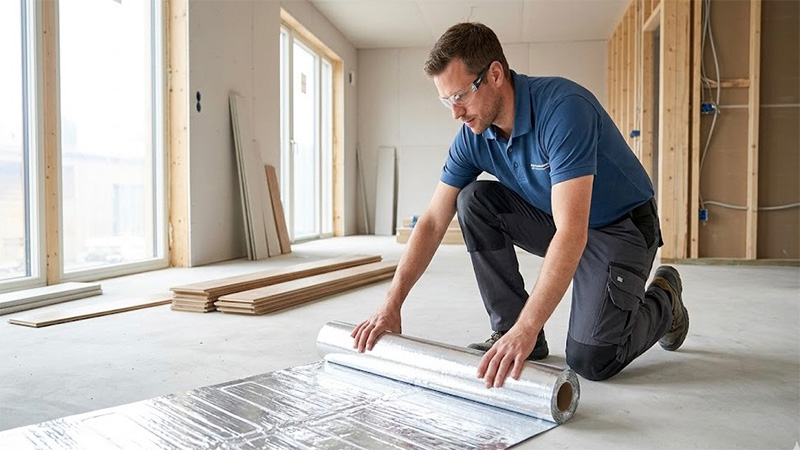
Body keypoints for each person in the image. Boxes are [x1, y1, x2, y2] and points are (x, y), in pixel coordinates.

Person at [351, 22, 689, 386]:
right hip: (561, 221)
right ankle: (508, 330)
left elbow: (572, 232)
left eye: (461, 95)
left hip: (620, 227)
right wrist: (392, 303)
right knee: (474, 200)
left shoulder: (563, 110)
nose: (456, 113)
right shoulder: (473, 136)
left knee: (592, 360)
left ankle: (666, 300)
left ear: (495, 74)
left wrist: (530, 326)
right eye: (447, 100)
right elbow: (433, 220)